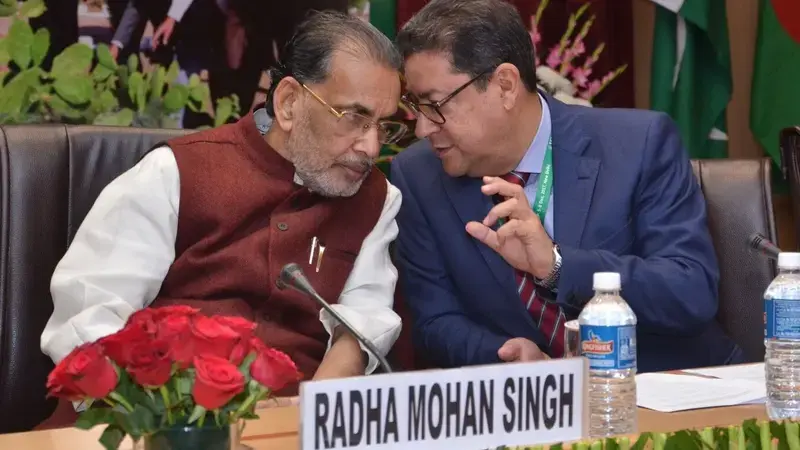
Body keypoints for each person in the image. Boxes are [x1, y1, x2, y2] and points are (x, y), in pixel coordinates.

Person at [41, 10, 406, 405]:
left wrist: (309, 415)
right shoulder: (174, 173)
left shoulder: (376, 199)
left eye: (384, 126)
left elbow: (363, 323)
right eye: (354, 118)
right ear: (288, 103)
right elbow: (89, 317)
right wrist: (178, 422)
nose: (371, 148)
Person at [391, 0, 744, 372]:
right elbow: (433, 321)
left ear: (506, 86)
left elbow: (690, 292)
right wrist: (502, 354)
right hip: (528, 410)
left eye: (435, 105)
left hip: (667, 388)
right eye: (416, 105)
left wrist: (557, 266)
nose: (422, 128)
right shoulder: (417, 177)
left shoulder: (639, 145)